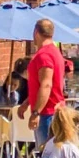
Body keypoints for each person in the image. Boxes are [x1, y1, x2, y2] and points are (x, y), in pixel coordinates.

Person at [24, 18, 67, 146]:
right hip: (55, 109)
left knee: (46, 155)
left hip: (47, 113)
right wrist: (27, 103)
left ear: (36, 32)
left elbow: (46, 84)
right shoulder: (55, 52)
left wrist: (36, 112)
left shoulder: (44, 55)